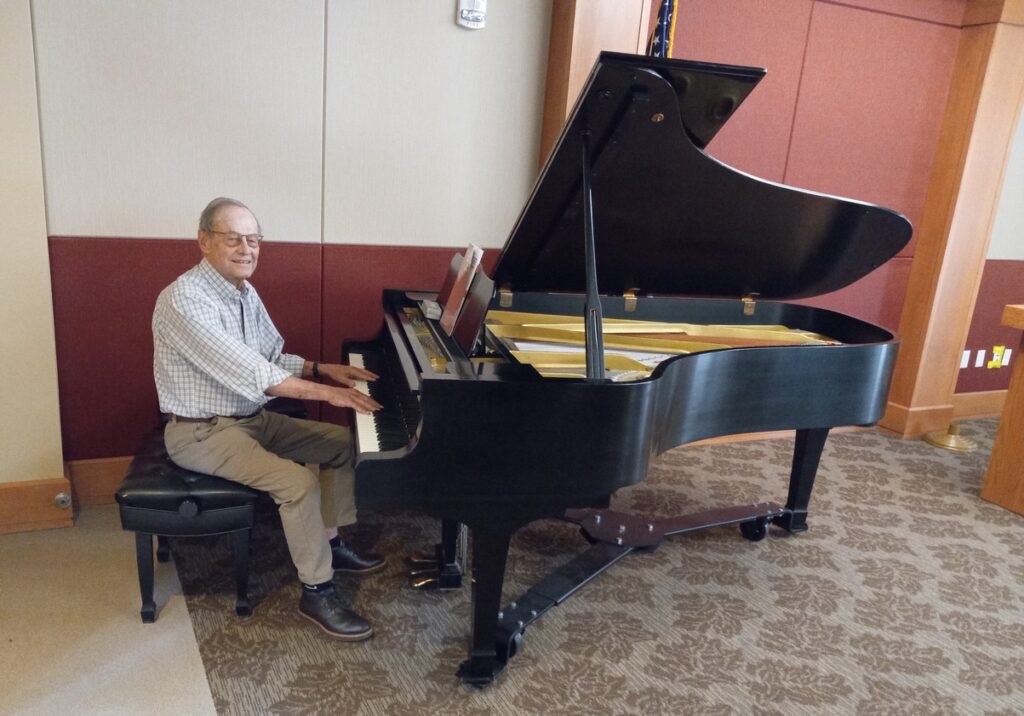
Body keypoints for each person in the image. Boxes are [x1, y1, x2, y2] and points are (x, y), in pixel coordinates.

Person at [152, 197, 383, 641]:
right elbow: (257, 374)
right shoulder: (185, 300)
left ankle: (331, 545)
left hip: (250, 419)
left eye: (254, 239)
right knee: (297, 483)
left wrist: (322, 369)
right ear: (204, 240)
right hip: (200, 432)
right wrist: (331, 394)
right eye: (233, 238)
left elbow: (272, 357)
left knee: (343, 444)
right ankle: (317, 590)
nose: (246, 248)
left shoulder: (242, 290)